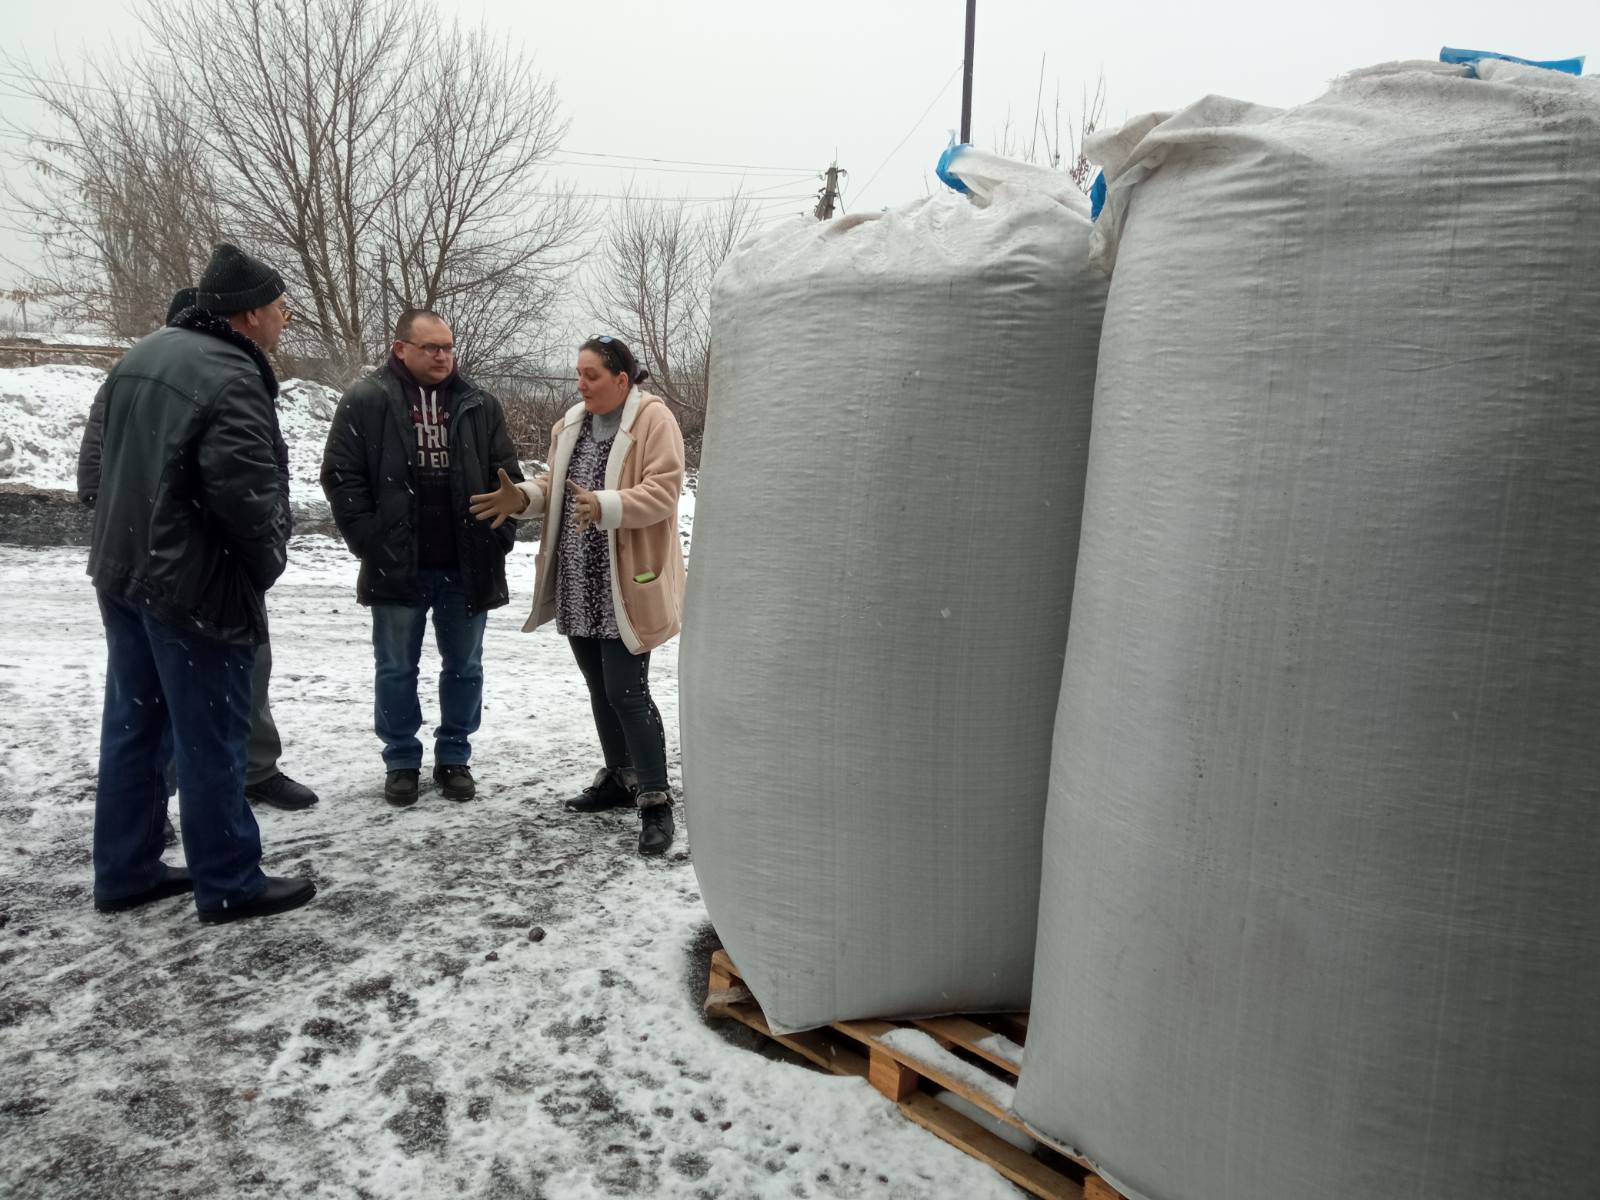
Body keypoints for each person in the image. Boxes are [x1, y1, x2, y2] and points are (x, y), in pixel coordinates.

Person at [87, 242, 316, 923]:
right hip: (193, 584)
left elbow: (100, 467)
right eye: (281, 308)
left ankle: (125, 869)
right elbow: (247, 497)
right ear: (249, 314)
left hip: (125, 572)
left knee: (135, 725)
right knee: (211, 734)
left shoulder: (144, 356)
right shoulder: (230, 374)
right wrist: (265, 560)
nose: (285, 320)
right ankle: (229, 881)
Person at [470, 335, 686, 856]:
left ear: (621, 378)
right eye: (578, 374)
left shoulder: (654, 421)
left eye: (591, 374)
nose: (581, 384)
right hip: (578, 578)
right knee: (599, 686)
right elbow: (557, 486)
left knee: (627, 692)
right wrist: (524, 496)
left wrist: (607, 505)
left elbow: (665, 489)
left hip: (625, 579)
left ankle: (655, 799)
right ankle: (618, 777)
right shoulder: (570, 424)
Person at [320, 308, 522, 805]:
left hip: (466, 563)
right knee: (395, 667)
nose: (442, 356)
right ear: (400, 349)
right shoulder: (367, 400)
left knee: (465, 668)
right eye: (431, 347)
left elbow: (508, 477)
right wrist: (370, 540)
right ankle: (402, 761)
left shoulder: (478, 404)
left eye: (448, 347)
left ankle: (454, 756)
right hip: (397, 563)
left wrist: (500, 534)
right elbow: (341, 475)